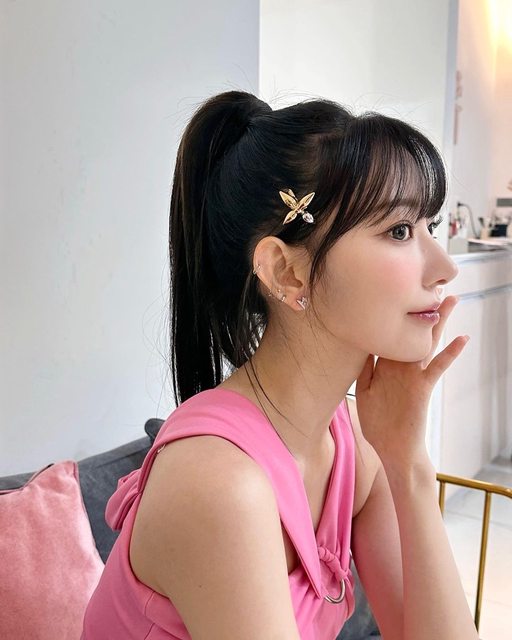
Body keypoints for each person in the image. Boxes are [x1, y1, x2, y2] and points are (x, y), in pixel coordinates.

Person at [82, 91, 479, 640]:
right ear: (287, 272)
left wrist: (408, 460)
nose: (445, 267)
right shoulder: (221, 485)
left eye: (429, 226)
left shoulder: (353, 447)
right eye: (399, 231)